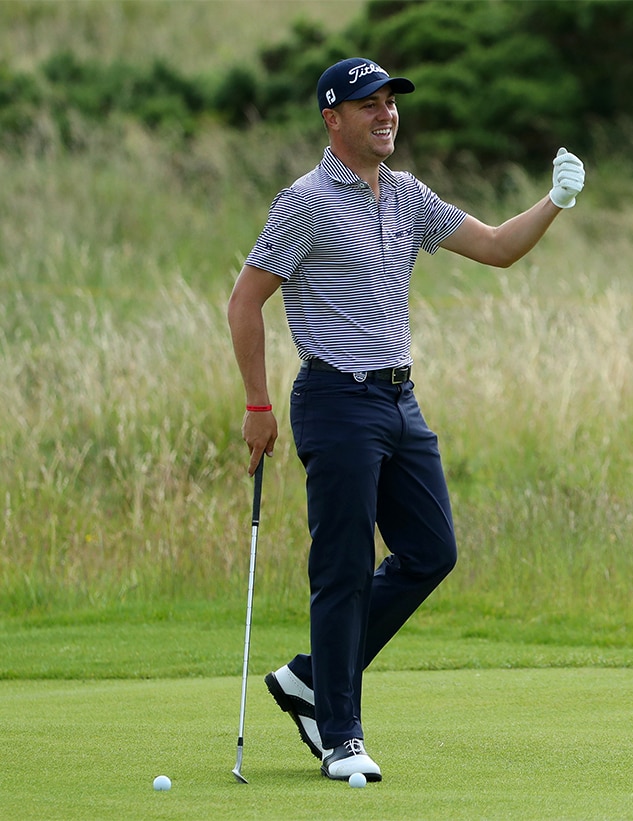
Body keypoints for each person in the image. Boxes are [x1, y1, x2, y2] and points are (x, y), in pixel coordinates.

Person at [226, 57, 586, 782]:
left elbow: (496, 248)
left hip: (398, 401)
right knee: (344, 569)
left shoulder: (407, 193)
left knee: (431, 550)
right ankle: (341, 735)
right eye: (369, 104)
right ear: (333, 118)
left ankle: (309, 680)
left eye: (390, 102)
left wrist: (554, 201)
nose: (386, 114)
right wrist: (258, 404)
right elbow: (244, 301)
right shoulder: (304, 202)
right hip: (334, 400)